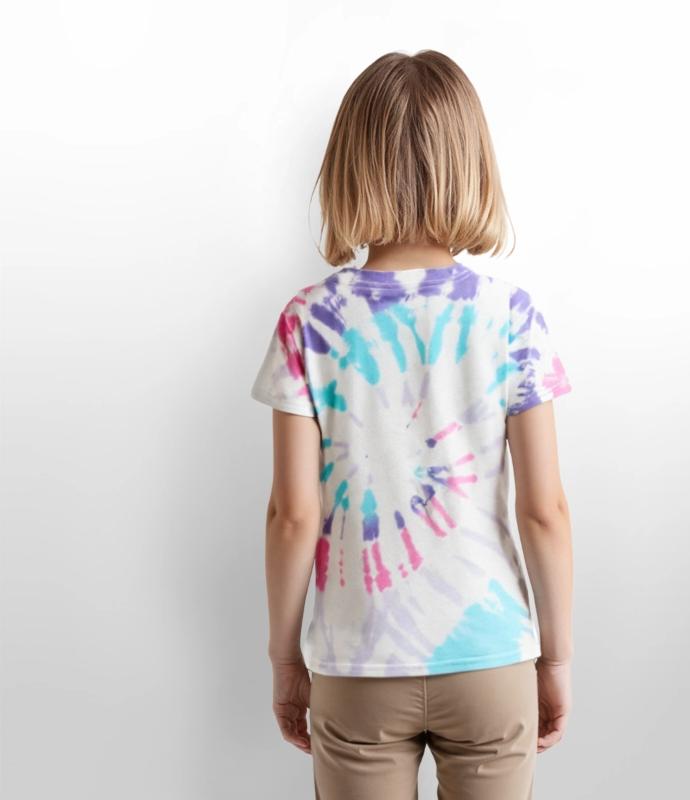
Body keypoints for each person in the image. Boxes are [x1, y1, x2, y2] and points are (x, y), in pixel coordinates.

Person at [250, 49, 574, 799]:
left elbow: (293, 515)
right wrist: (554, 657)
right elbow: (544, 511)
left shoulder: (310, 321)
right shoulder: (512, 316)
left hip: (357, 661)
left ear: (349, 167)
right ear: (472, 165)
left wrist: (285, 657)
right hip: (490, 656)